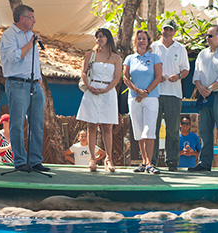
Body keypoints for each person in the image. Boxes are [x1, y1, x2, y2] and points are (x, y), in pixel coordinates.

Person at [0, 4, 49, 172]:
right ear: (22, 18)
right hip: (17, 84)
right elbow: (14, 57)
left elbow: (31, 60)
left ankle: (35, 161)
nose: (34, 21)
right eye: (31, 17)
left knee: (37, 124)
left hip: (34, 84)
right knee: (17, 123)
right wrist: (31, 43)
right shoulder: (9, 35)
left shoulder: (30, 36)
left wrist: (38, 76)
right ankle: (20, 161)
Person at [189, 25, 218, 174]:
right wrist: (201, 87)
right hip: (204, 96)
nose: (207, 39)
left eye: (210, 36)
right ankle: (205, 162)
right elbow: (196, 75)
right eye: (206, 36)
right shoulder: (202, 54)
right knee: (204, 131)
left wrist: (209, 88)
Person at [76, 28, 122, 172]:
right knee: (91, 126)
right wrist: (89, 86)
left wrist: (107, 89)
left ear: (108, 38)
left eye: (102, 36)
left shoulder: (116, 57)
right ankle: (92, 158)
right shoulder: (91, 55)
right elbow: (84, 72)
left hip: (108, 92)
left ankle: (109, 159)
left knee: (107, 127)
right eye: (97, 37)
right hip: (92, 89)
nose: (99, 39)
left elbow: (117, 77)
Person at [151, 19, 190, 171]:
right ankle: (151, 161)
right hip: (155, 93)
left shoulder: (180, 48)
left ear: (175, 32)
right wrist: (156, 77)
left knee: (173, 129)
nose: (167, 32)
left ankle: (172, 161)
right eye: (165, 29)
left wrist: (178, 76)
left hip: (174, 93)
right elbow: (148, 67)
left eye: (170, 30)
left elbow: (186, 69)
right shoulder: (153, 46)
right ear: (161, 30)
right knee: (153, 128)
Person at [123, 30, 163, 174]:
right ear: (135, 41)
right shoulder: (129, 58)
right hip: (134, 98)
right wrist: (137, 91)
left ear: (148, 41)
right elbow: (125, 78)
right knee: (139, 131)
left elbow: (158, 77)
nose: (141, 41)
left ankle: (150, 163)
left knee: (149, 131)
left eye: (144, 38)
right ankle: (144, 162)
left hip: (151, 98)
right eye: (139, 38)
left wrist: (145, 92)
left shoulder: (154, 57)